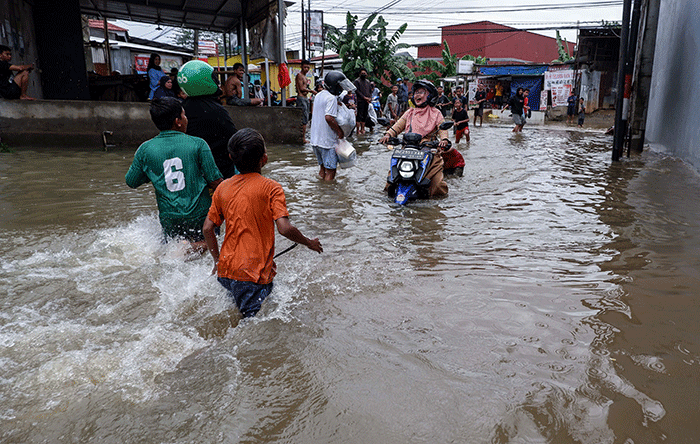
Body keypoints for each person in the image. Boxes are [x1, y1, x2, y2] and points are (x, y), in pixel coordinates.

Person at [203, 128, 323, 318]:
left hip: (226, 271)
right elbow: (284, 229)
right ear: (264, 159)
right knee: (250, 328)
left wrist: (217, 261)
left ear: (230, 157)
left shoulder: (222, 188)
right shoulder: (271, 188)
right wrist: (308, 242)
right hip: (252, 274)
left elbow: (208, 228)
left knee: (233, 317)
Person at [125, 97, 223, 251]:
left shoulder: (145, 149)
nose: (186, 119)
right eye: (184, 115)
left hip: (170, 218)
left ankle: (180, 250)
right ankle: (190, 248)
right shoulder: (198, 144)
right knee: (214, 247)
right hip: (200, 216)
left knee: (173, 255)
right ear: (178, 121)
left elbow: (131, 181)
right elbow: (215, 182)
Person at [379, 79, 449, 197]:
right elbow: (397, 126)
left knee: (437, 187)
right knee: (390, 183)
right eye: (416, 92)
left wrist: (444, 140)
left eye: (421, 92)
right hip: (407, 149)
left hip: (428, 149)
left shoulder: (436, 113)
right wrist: (388, 135)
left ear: (430, 96)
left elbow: (442, 129)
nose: (417, 95)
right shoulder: (409, 112)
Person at [178, 60, 238, 179]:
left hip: (192, 174)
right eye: (214, 78)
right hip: (220, 173)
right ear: (204, 81)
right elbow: (235, 140)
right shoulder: (216, 111)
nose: (218, 82)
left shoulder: (181, 109)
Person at [310, 70, 355, 181]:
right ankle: (328, 195)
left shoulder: (319, 95)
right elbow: (329, 117)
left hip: (315, 140)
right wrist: (339, 131)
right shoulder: (331, 98)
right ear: (334, 85)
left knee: (322, 169)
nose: (341, 89)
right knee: (331, 171)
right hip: (327, 142)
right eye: (340, 86)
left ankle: (320, 191)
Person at [295, 60, 316, 142]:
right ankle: (303, 138)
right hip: (301, 98)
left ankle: (303, 137)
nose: (306, 69)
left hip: (305, 98)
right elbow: (301, 88)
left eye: (308, 67)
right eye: (305, 67)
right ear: (301, 67)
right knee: (303, 119)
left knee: (306, 118)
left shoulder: (304, 76)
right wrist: (311, 91)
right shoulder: (299, 75)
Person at [353, 68, 372, 135]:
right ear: (360, 74)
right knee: (359, 115)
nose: (364, 74)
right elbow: (357, 91)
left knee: (365, 115)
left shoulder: (368, 82)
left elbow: (370, 91)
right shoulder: (357, 81)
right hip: (360, 101)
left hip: (367, 101)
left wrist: (369, 98)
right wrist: (364, 97)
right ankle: (358, 130)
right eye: (362, 73)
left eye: (365, 73)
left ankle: (363, 129)